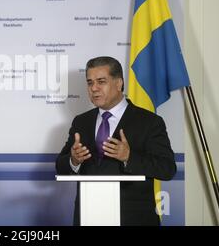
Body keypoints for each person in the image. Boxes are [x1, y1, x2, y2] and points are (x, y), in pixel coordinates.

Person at [56, 56, 176, 226]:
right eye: (90, 83)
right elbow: (60, 166)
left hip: (133, 220)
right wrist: (73, 160)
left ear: (119, 83)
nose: (94, 88)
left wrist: (129, 157)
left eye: (101, 81)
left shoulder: (149, 122)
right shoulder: (81, 122)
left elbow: (167, 168)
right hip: (88, 217)